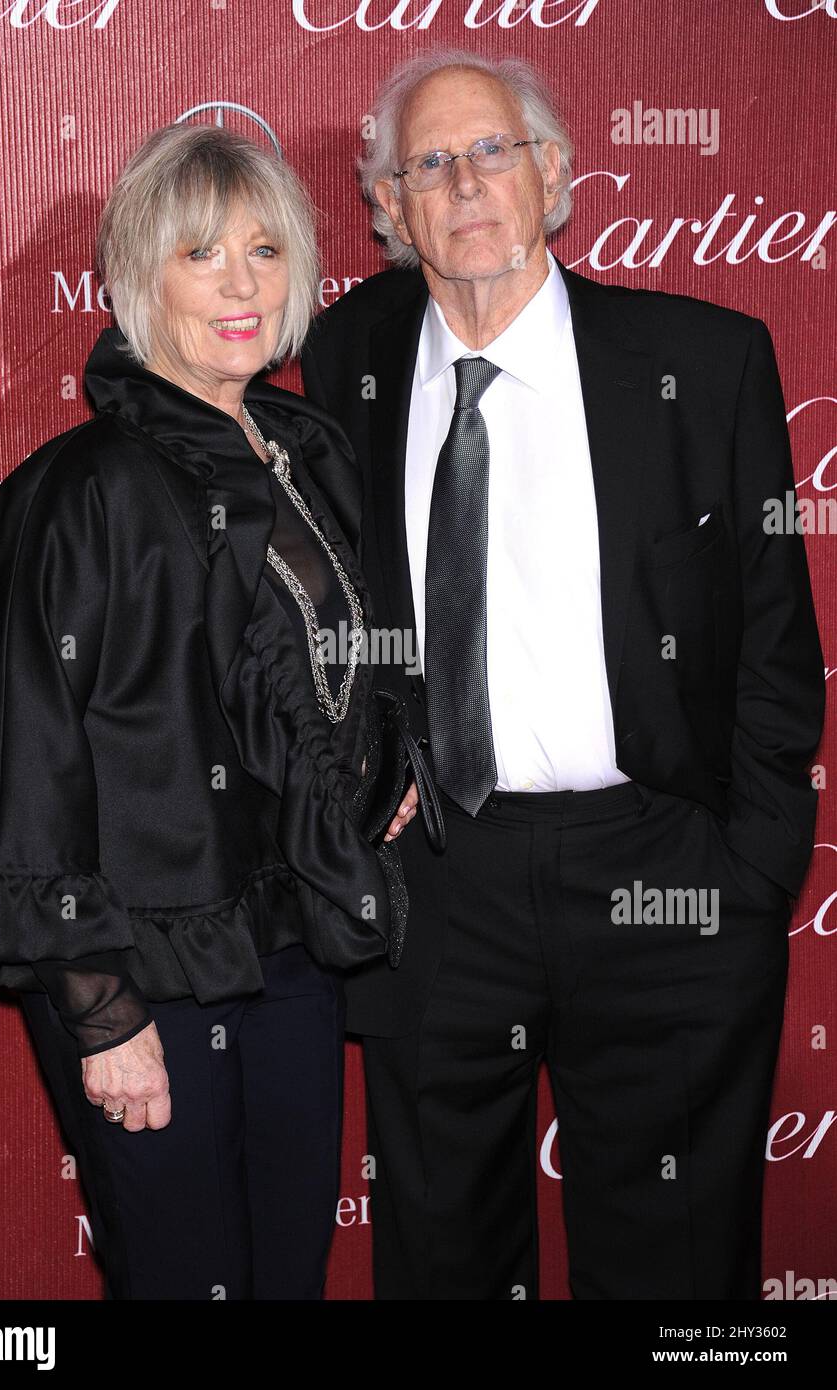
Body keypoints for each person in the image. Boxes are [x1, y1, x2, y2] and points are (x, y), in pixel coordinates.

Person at [299, 48, 826, 1299]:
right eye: (428, 163)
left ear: (554, 176)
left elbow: (775, 641)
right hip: (439, 884)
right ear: (387, 207)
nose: (466, 183)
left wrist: (747, 874)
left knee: (678, 1269)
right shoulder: (343, 361)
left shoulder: (702, 363)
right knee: (440, 1254)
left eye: (494, 151)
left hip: (662, 873)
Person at [0, 120, 417, 1301]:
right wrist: (101, 1012)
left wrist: (387, 753)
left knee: (286, 1274)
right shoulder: (78, 488)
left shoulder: (309, 450)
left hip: (291, 950)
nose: (242, 284)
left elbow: (346, 648)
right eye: (203, 254)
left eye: (264, 249)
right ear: (143, 275)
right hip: (147, 968)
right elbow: (30, 757)